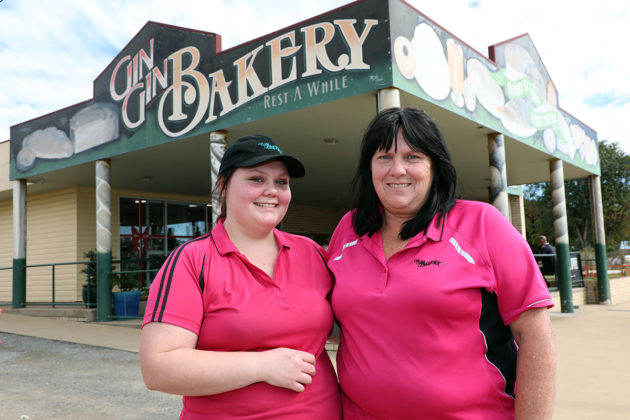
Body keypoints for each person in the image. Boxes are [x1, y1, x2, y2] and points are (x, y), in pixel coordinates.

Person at [327, 107, 556, 419]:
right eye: (384, 157)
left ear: (435, 166)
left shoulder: (482, 224)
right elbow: (343, 323)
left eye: (412, 157)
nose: (397, 169)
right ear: (369, 168)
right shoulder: (348, 229)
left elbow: (536, 337)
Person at [139, 134, 341, 419]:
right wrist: (261, 366)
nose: (271, 190)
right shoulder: (192, 260)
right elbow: (158, 369)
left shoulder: (312, 253)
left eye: (281, 182)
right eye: (257, 179)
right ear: (222, 185)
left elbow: (346, 327)